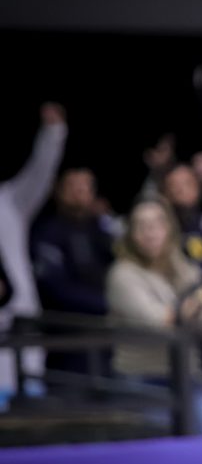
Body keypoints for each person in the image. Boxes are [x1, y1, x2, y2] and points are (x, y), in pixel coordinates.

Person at [105, 198, 202, 434]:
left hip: (187, 376)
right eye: (141, 225)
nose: (150, 232)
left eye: (157, 223)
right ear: (131, 233)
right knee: (169, 449)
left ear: (170, 228)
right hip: (143, 381)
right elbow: (162, 324)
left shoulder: (182, 266)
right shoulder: (122, 275)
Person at [0, 103, 67, 404]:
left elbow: (40, 174)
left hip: (19, 329)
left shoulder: (9, 201)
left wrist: (53, 133)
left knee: (31, 412)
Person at [32, 167, 115, 318]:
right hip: (65, 322)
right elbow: (55, 289)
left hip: (106, 318)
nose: (79, 191)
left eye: (85, 185)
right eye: (72, 185)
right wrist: (109, 304)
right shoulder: (48, 232)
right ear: (58, 190)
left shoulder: (100, 228)